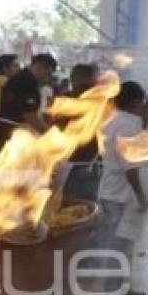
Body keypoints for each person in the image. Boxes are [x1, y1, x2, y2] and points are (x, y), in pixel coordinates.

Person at [96, 81, 148, 295]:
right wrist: (141, 195)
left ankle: (120, 288)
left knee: (121, 245)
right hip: (121, 194)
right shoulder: (131, 123)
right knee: (118, 247)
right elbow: (131, 166)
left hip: (109, 189)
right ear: (135, 102)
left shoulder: (112, 119)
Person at [0, 53, 58, 155]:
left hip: (2, 132)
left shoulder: (21, 78)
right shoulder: (27, 82)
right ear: (41, 67)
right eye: (48, 74)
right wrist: (49, 135)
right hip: (10, 135)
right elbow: (30, 115)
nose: (47, 78)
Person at [62, 63, 102, 201]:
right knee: (84, 206)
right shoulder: (100, 102)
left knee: (68, 202)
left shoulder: (64, 100)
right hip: (87, 163)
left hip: (70, 162)